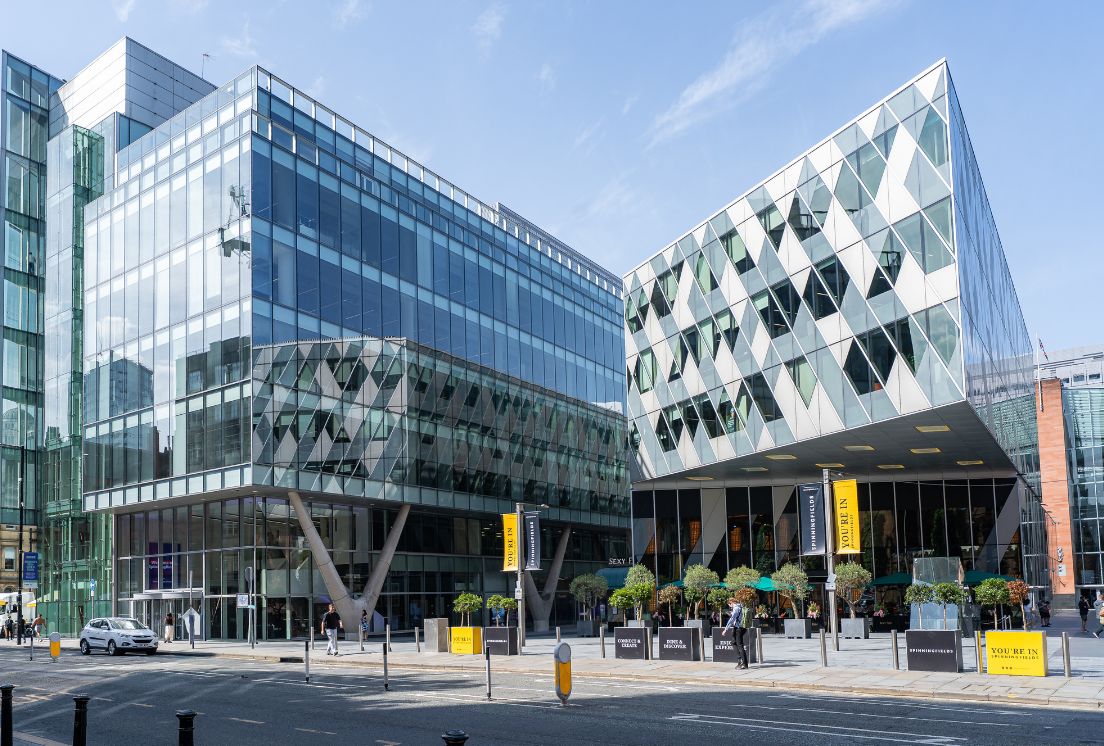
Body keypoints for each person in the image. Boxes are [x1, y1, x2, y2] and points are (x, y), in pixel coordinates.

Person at [721, 596, 750, 670]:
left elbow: (732, 619)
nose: (730, 607)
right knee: (734, 642)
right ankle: (740, 660)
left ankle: (744, 663)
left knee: (740, 645)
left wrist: (725, 629)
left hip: (738, 628)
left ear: (731, 603)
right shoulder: (741, 606)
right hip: (742, 627)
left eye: (729, 605)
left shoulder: (736, 608)